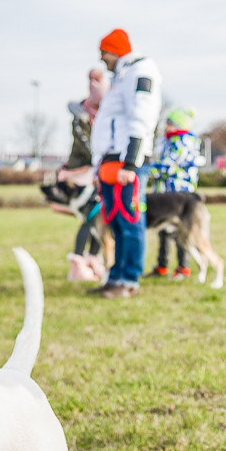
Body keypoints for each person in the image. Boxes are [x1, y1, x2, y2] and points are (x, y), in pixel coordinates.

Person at [89, 29, 162, 299]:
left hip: (126, 162)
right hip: (112, 162)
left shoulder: (141, 71)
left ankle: (129, 280)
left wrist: (130, 163)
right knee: (117, 224)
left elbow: (142, 115)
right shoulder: (121, 76)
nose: (102, 59)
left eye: (104, 53)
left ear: (115, 50)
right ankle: (115, 277)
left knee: (130, 222)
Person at [61, 69, 109, 282]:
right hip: (82, 173)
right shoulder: (80, 118)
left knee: (100, 216)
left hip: (98, 172)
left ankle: (92, 259)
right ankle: (78, 263)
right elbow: (88, 147)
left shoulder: (105, 116)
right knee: (90, 217)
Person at [148, 108, 201, 280]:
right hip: (166, 194)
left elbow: (167, 166)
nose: (166, 126)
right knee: (163, 230)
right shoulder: (169, 141)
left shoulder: (183, 142)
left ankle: (183, 268)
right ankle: (162, 266)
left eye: (170, 123)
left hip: (180, 195)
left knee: (181, 231)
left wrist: (146, 170)